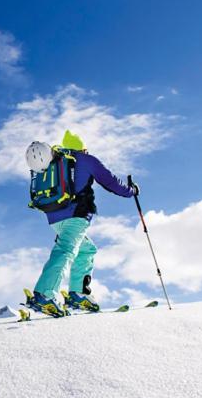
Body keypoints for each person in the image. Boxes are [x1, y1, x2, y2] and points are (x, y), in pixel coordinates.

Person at [26, 130, 138, 317]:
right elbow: (112, 183)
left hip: (53, 217)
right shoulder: (86, 160)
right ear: (82, 147)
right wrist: (131, 190)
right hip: (76, 216)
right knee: (66, 250)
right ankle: (45, 294)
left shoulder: (56, 160)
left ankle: (78, 294)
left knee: (86, 250)